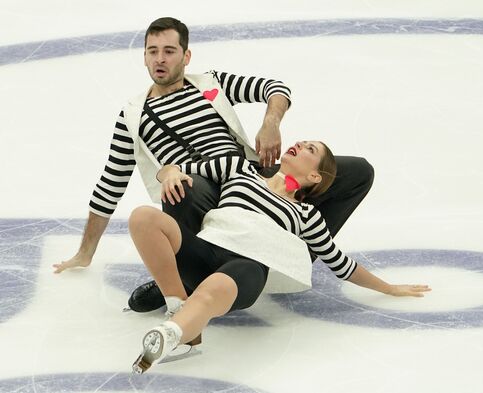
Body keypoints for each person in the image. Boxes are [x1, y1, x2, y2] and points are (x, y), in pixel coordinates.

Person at [53, 17, 375, 313]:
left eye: (169, 51)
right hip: (198, 184)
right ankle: (186, 279)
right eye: (153, 51)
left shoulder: (211, 83)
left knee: (358, 172)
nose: (160, 59)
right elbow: (111, 183)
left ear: (186, 56)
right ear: (145, 57)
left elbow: (276, 89)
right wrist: (86, 251)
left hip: (248, 174)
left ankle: (295, 252)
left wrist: (271, 122)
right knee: (181, 189)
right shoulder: (133, 116)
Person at [129, 140, 430, 374]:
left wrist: (389, 288)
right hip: (205, 250)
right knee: (144, 217)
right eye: (301, 142)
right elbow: (175, 167)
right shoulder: (239, 168)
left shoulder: (306, 214)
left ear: (314, 175)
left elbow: (340, 264)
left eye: (309, 149)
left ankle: (170, 334)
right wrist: (169, 173)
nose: (298, 145)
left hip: (245, 269)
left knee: (215, 288)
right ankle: (177, 307)